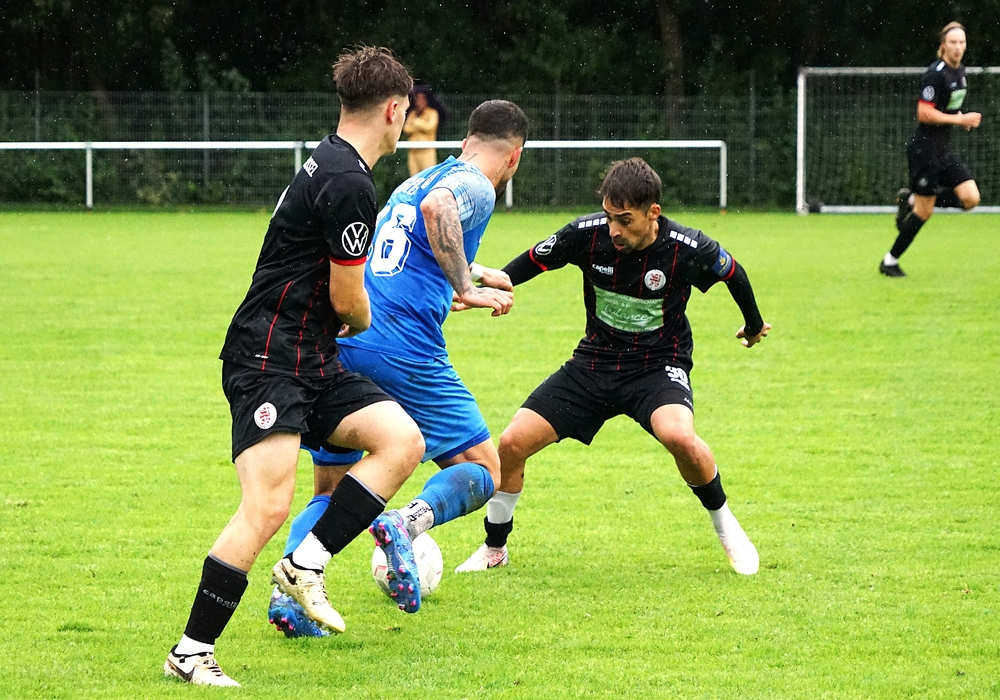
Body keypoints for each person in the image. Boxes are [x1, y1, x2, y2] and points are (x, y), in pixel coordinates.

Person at [163, 47, 421, 687]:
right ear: (394, 110)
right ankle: (191, 652)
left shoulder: (331, 160)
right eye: (406, 113)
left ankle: (306, 564)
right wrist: (362, 320)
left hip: (310, 357)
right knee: (267, 506)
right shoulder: (350, 182)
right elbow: (348, 298)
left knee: (400, 440)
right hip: (269, 358)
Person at [267, 100, 529, 637]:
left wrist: (477, 271)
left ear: (464, 141)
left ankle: (286, 597)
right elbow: (439, 210)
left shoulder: (418, 180)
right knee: (486, 469)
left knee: (330, 488)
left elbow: (401, 246)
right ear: (514, 156)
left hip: (348, 338)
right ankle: (404, 523)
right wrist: (465, 287)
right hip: (406, 351)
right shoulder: (477, 185)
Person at [456, 158, 769, 576]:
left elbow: (733, 273)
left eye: (624, 220)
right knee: (512, 443)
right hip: (594, 363)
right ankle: (495, 547)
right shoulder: (585, 235)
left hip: (657, 365)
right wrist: (478, 288)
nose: (614, 230)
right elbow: (532, 260)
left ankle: (727, 527)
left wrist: (753, 325)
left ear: (652, 213)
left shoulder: (687, 247)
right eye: (609, 217)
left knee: (679, 435)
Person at [880, 22, 982, 277]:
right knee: (924, 213)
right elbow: (924, 113)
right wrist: (959, 120)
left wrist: (960, 118)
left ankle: (910, 199)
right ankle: (889, 261)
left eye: (962, 42)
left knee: (971, 198)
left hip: (943, 151)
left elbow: (947, 107)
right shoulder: (934, 75)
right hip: (924, 152)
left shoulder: (960, 72)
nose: (958, 47)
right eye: (953, 42)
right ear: (943, 45)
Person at [403, 86, 441, 176]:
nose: (419, 102)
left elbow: (429, 127)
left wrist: (416, 123)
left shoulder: (432, 113)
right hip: (413, 152)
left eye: (422, 99)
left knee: (428, 177)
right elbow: (406, 129)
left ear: (426, 100)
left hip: (427, 151)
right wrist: (421, 126)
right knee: (414, 178)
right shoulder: (413, 113)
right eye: (417, 99)